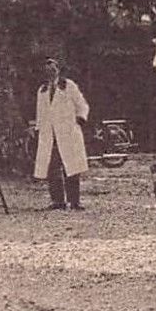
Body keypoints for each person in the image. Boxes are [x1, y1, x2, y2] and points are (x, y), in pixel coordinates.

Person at [34, 56, 90, 210]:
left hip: (67, 133)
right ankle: (58, 201)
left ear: (58, 70)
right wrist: (39, 129)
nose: (50, 73)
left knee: (71, 167)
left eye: (53, 69)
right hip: (50, 135)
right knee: (52, 168)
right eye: (47, 71)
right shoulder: (42, 90)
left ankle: (74, 201)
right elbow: (40, 112)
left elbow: (82, 105)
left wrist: (79, 120)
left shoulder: (68, 86)